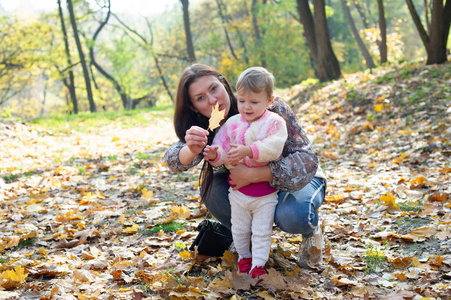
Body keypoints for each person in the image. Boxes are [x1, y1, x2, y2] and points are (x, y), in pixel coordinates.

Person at [163, 63, 327, 271]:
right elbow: (173, 160)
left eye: (214, 88)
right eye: (201, 98)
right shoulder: (207, 125)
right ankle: (246, 243)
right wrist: (192, 148)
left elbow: (307, 159)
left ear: (223, 83)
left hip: (297, 179)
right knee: (210, 188)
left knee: (293, 215)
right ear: (194, 107)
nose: (212, 99)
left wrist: (255, 174)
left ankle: (312, 234)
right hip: (248, 191)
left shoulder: (269, 106)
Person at [203, 67, 288, 278]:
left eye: (254, 102)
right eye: (242, 101)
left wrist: (250, 150)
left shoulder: (274, 122)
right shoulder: (232, 124)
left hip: (265, 193)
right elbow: (223, 146)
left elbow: (275, 147)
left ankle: (259, 263)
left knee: (261, 230)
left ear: (269, 101)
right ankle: (244, 256)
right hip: (238, 192)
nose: (246, 107)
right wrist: (215, 154)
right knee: (239, 228)